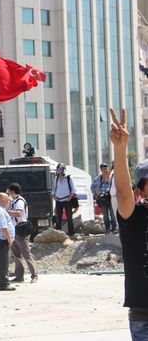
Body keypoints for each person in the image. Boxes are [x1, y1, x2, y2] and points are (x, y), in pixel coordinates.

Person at [109, 108, 148, 339]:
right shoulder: (134, 218)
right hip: (145, 318)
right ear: (140, 189)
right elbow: (123, 194)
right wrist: (120, 149)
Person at [6, 183, 38, 284]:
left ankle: (34, 275)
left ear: (12, 191)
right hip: (14, 229)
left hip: (21, 229)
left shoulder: (19, 201)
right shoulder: (14, 200)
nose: (7, 192)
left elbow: (19, 213)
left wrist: (7, 212)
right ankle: (19, 276)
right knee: (16, 254)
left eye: (9, 190)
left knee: (26, 254)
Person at [91, 163, 117, 234]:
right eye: (103, 169)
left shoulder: (111, 177)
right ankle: (107, 229)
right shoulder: (97, 179)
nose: (105, 170)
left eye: (106, 168)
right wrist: (96, 195)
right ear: (101, 170)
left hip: (111, 198)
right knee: (105, 215)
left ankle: (114, 228)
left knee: (113, 214)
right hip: (102, 199)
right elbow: (92, 187)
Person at [52, 163, 76, 235]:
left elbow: (73, 190)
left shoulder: (68, 178)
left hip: (67, 200)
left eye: (60, 169)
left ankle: (71, 234)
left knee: (69, 218)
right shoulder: (56, 179)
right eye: (58, 169)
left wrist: (70, 197)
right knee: (58, 219)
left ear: (63, 170)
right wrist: (54, 196)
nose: (58, 171)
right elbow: (53, 189)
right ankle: (59, 234)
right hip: (59, 200)